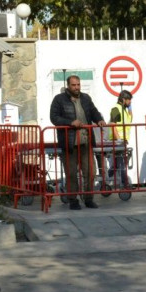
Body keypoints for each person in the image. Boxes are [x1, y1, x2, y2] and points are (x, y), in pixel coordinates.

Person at [50, 75, 106, 210]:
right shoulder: (59, 99)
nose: (76, 87)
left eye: (78, 85)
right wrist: (70, 123)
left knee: (90, 172)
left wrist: (99, 119)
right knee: (71, 173)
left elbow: (93, 111)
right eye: (74, 85)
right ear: (68, 85)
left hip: (86, 141)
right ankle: (73, 200)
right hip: (70, 143)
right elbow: (54, 117)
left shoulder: (86, 98)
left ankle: (88, 198)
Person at [105, 90, 133, 189]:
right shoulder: (116, 109)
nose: (130, 102)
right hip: (117, 141)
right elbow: (113, 126)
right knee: (121, 163)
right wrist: (119, 141)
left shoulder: (123, 109)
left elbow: (129, 120)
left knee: (117, 164)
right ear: (123, 99)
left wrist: (130, 109)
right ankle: (125, 184)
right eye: (129, 100)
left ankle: (106, 179)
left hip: (122, 141)